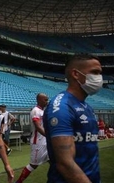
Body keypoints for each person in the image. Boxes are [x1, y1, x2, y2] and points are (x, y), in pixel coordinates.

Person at [43, 54, 103, 183]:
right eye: (94, 72)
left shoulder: (87, 107)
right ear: (76, 74)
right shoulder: (62, 107)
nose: (99, 78)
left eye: (100, 73)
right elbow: (65, 164)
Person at [15, 93, 49, 183]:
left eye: (47, 99)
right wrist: (49, 135)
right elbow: (38, 126)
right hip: (38, 142)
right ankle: (18, 182)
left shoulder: (43, 111)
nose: (47, 101)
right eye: (45, 100)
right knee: (33, 165)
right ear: (39, 100)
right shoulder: (35, 111)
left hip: (46, 141)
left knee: (54, 161)